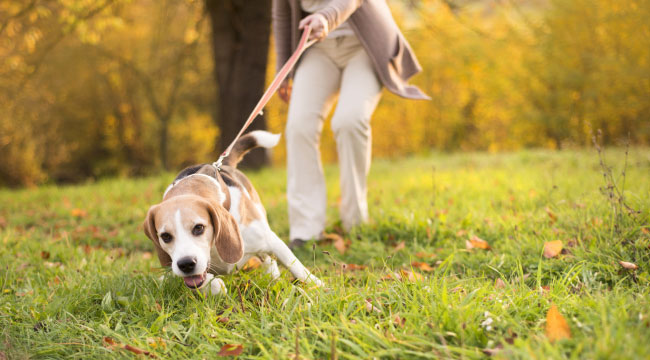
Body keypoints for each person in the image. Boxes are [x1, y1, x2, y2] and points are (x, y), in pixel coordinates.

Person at [272, 0, 429, 249]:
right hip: (318, 48)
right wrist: (284, 68)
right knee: (299, 126)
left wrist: (325, 17)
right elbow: (282, 12)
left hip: (365, 45)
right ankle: (306, 230)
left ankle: (355, 221)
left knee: (350, 121)